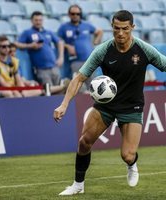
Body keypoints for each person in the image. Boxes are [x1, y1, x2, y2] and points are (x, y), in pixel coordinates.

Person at [53, 10, 166, 196]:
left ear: (132, 28)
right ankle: (78, 185)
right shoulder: (103, 50)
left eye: (125, 29)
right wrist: (63, 104)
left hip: (132, 107)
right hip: (105, 106)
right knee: (84, 142)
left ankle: (132, 164)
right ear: (112, 28)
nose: (120, 33)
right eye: (116, 29)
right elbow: (79, 78)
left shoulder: (144, 49)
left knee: (127, 155)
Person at [58, 4, 103, 91]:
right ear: (69, 14)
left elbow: (99, 31)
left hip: (89, 60)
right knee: (78, 86)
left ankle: (94, 104)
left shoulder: (86, 25)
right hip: (75, 61)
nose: (75, 16)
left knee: (93, 84)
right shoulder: (64, 27)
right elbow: (58, 41)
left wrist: (96, 41)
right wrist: (67, 46)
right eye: (73, 13)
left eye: (77, 14)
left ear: (80, 14)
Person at [14, 11, 64, 86]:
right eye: (36, 20)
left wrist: (61, 57)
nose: (38, 22)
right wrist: (30, 45)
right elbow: (16, 44)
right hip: (41, 69)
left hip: (54, 66)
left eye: (40, 20)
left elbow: (60, 42)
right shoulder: (27, 32)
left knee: (59, 89)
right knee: (48, 90)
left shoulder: (48, 32)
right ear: (31, 21)